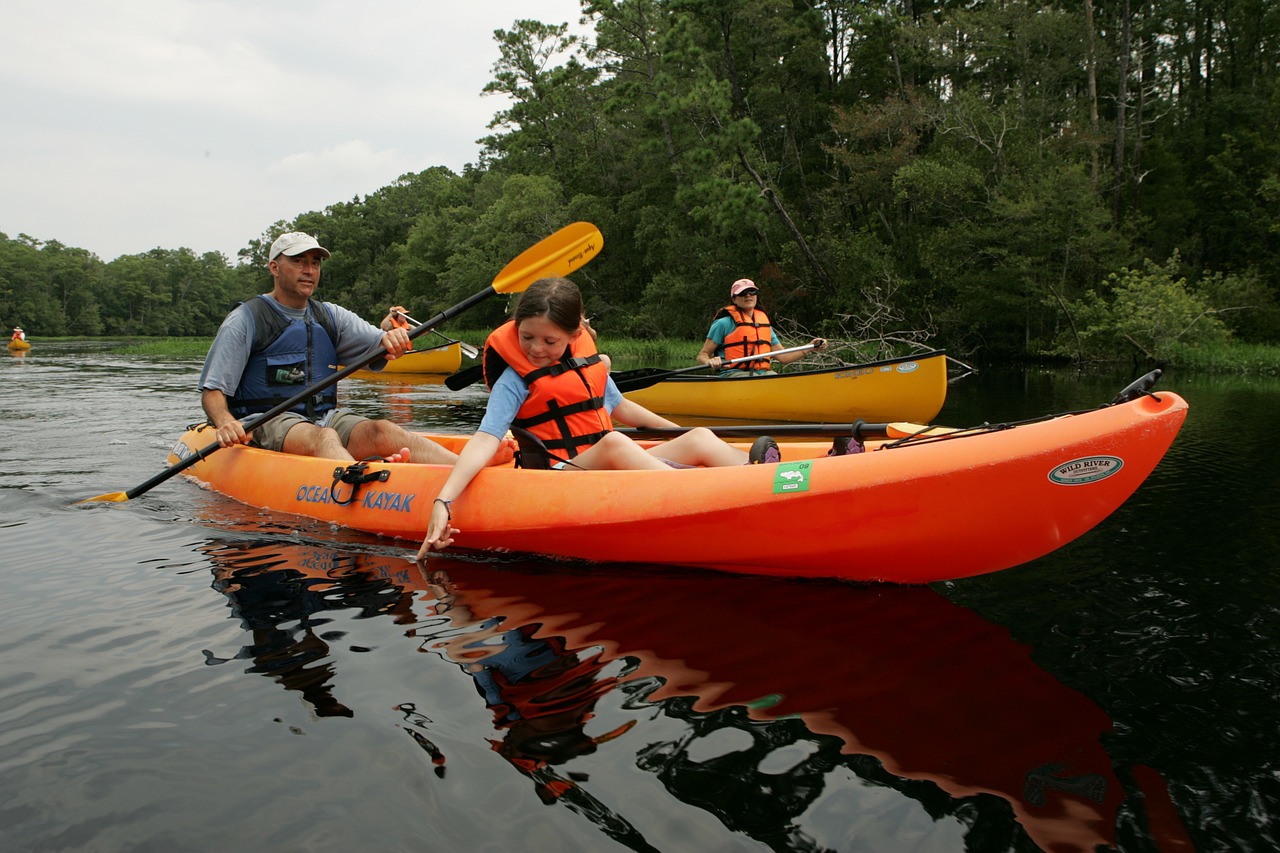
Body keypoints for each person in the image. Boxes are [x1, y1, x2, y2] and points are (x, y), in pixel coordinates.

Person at [417, 277, 777, 558]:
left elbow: (622, 409)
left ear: (574, 335)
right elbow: (486, 438)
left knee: (697, 436)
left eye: (549, 340)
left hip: (602, 463)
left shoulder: (584, 363)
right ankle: (712, 500)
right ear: (515, 329)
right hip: (556, 477)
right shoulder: (514, 380)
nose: (536, 349)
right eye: (527, 337)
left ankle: (763, 477)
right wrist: (443, 499)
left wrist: (677, 433)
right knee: (615, 442)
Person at [198, 231, 457, 465]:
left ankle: (465, 470)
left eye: (315, 262)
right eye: (299, 261)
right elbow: (213, 390)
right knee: (324, 438)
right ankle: (360, 484)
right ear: (275, 268)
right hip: (266, 421)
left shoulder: (330, 316)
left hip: (324, 416)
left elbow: (383, 344)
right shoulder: (246, 319)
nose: (309, 270)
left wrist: (393, 341)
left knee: (384, 430)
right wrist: (225, 423)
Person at [696, 279, 827, 376]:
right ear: (734, 299)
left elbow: (784, 357)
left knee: (773, 376)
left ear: (756, 296)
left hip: (763, 374)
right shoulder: (723, 323)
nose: (748, 295)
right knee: (751, 378)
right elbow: (702, 355)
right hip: (734, 374)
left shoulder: (764, 325)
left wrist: (810, 347)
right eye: (742, 293)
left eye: (752, 292)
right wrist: (710, 361)